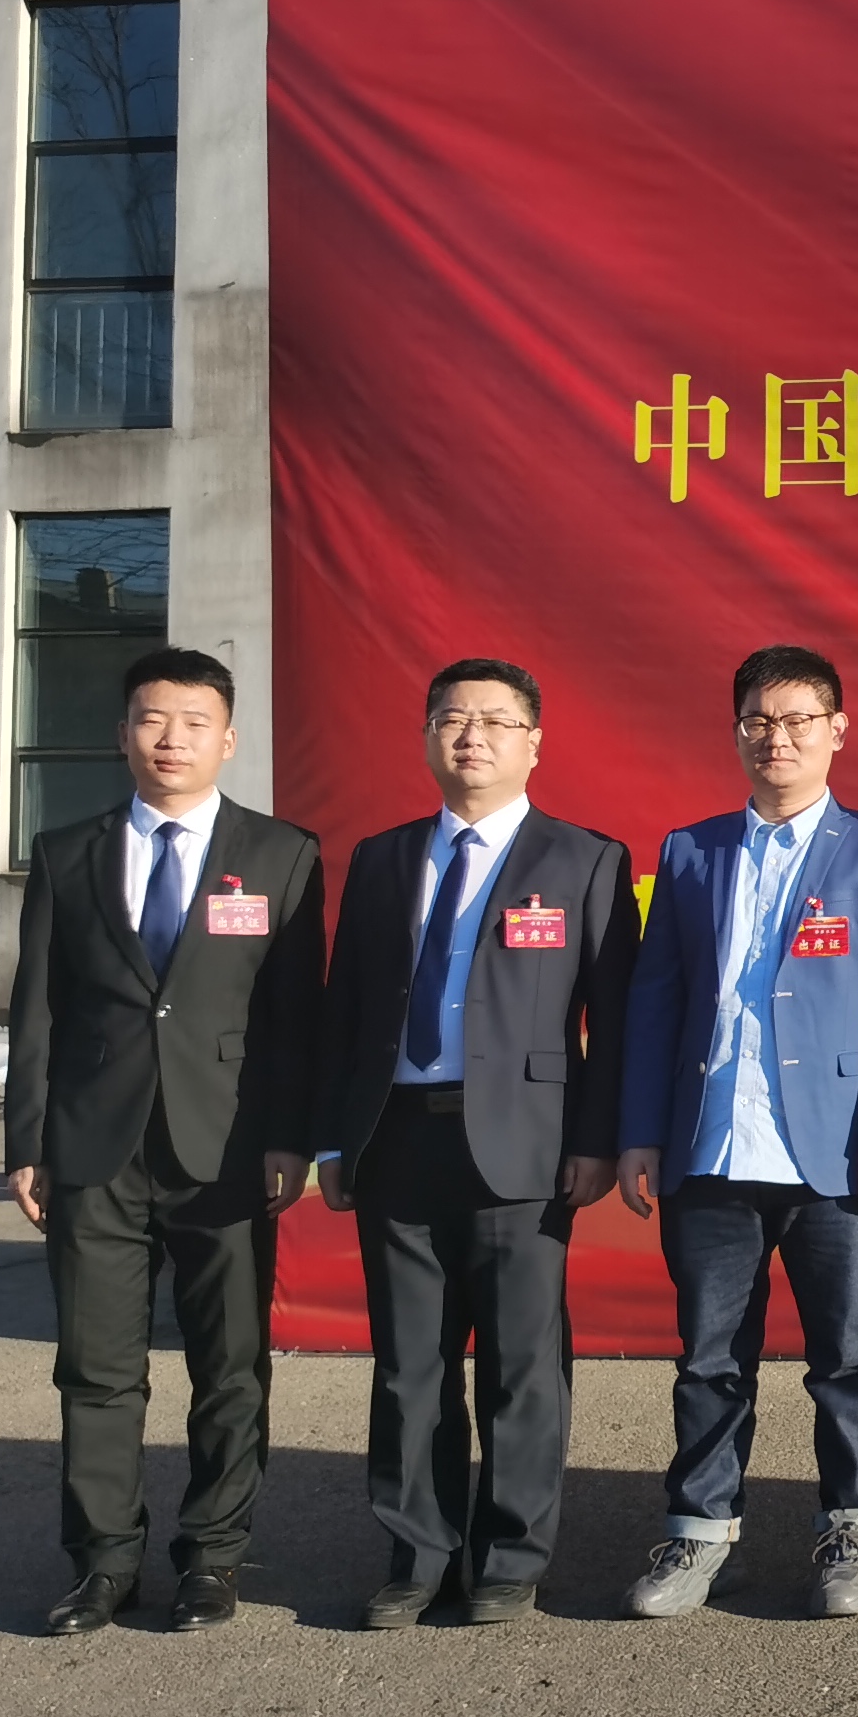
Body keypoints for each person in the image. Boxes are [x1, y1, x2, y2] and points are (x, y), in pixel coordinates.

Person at [314, 659, 640, 1629]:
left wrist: (597, 1140)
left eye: (497, 721)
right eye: (452, 719)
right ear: (426, 738)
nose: (472, 736)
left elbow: (614, 1020)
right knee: (408, 1365)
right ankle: (418, 1556)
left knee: (521, 1366)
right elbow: (347, 1008)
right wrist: (334, 1139)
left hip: (525, 1149)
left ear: (534, 744)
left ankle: (509, 1558)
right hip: (395, 1141)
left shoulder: (585, 860)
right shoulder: (383, 859)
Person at [4, 647, 322, 1636]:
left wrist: (291, 1138)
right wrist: (27, 1140)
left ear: (228, 740)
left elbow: (293, 1017)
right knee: (96, 1368)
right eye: (152, 719)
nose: (171, 739)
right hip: (93, 1147)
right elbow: (37, 1009)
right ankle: (102, 1563)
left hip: (227, 1148)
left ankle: (213, 1558)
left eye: (193, 722)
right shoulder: (68, 852)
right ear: (123, 734)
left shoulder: (282, 854)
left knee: (230, 1365)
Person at [613, 646, 858, 1621]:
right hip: (712, 1148)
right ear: (736, 731)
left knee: (847, 1356)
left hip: (835, 1156)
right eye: (759, 720)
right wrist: (641, 1132)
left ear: (837, 731)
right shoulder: (692, 851)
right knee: (710, 1360)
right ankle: (700, 1534)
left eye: (798, 721)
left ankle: (853, 1530)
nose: (777, 738)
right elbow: (656, 1002)